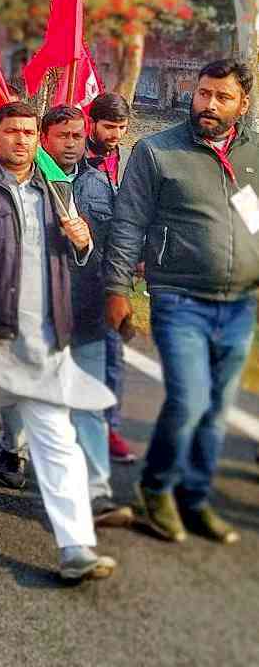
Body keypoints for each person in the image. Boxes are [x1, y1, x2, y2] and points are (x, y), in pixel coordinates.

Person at [0, 100, 117, 584]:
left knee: (57, 441)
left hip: (45, 340)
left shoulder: (57, 190)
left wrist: (82, 243)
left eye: (29, 133)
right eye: (12, 131)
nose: (21, 140)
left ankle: (76, 546)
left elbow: (76, 259)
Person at [105, 58, 259, 545]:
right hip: (179, 298)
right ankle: (156, 489)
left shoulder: (254, 152)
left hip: (240, 304)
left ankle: (195, 500)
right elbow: (127, 224)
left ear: (243, 104)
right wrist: (116, 289)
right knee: (190, 401)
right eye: (203, 93)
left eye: (222, 97)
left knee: (217, 410)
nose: (209, 105)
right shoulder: (156, 151)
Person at [39, 105, 133, 528]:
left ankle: (96, 492)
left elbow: (116, 242)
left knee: (89, 402)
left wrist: (120, 293)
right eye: (63, 136)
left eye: (78, 135)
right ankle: (13, 451)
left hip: (88, 309)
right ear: (45, 138)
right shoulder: (29, 183)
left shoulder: (99, 183)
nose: (73, 143)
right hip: (37, 311)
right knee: (35, 400)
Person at [84, 92, 136, 464]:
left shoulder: (129, 162)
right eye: (109, 126)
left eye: (121, 127)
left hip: (111, 274)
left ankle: (109, 427)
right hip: (73, 272)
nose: (115, 134)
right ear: (93, 123)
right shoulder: (69, 157)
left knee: (112, 355)